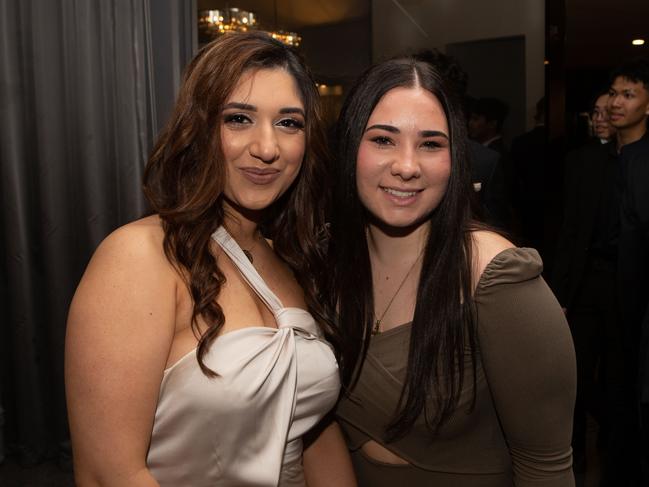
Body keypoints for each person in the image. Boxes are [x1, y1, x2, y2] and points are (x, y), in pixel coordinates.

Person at [65, 32, 355, 487]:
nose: (266, 147)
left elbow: (311, 425)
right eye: (239, 118)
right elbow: (109, 473)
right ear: (199, 127)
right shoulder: (140, 257)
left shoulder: (290, 257)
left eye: (289, 123)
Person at [329, 55, 576, 486]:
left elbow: (546, 468)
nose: (407, 166)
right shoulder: (322, 263)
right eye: (384, 140)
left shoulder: (497, 280)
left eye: (430, 144)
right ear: (350, 146)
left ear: (455, 158)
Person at [550, 88, 618, 475]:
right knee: (576, 371)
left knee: (618, 375)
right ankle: (573, 458)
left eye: (608, 111)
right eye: (595, 112)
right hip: (584, 283)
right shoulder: (579, 160)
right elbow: (569, 230)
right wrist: (559, 290)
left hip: (625, 285)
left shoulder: (635, 159)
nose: (601, 118)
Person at [606, 56, 649, 487]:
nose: (616, 102)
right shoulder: (611, 158)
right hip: (612, 297)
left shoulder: (641, 161)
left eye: (629, 94)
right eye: (615, 92)